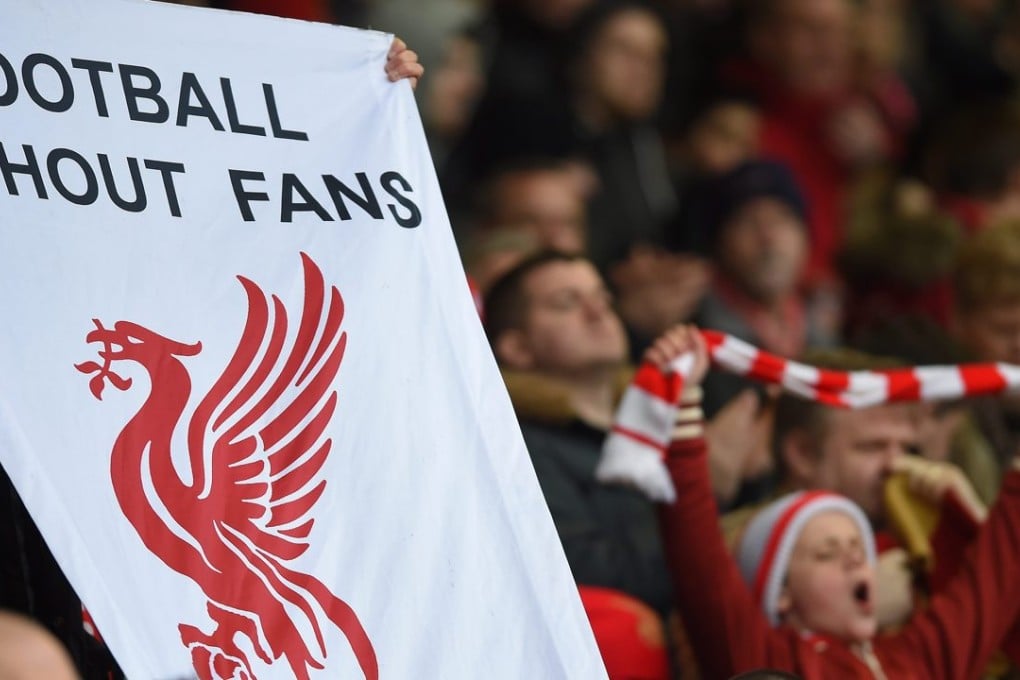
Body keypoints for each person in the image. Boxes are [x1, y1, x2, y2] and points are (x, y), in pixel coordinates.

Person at [619, 325, 1020, 679]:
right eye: (827, 554)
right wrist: (682, 397)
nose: (898, 464)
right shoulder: (770, 657)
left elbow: (994, 578)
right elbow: (698, 556)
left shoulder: (915, 652)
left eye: (858, 550)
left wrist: (970, 515)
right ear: (780, 590)